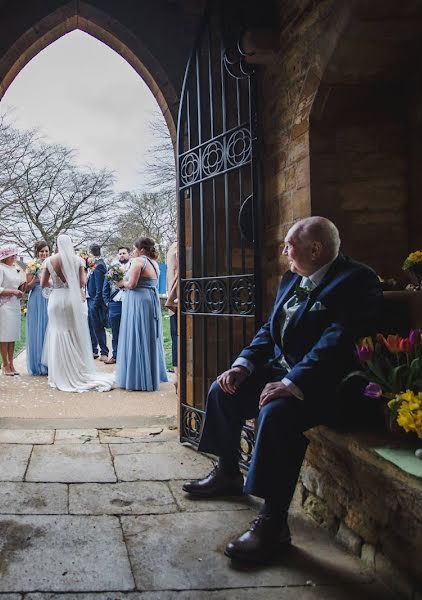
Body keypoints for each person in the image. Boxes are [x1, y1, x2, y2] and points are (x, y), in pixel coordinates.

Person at [182, 216, 383, 565]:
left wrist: (293, 383)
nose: (284, 251)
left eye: (290, 245)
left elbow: (338, 341)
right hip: (283, 370)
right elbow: (269, 330)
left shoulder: (357, 281)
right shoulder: (294, 277)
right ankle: (228, 471)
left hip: (327, 383)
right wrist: (243, 365)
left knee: (276, 413)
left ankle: (274, 524)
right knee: (222, 390)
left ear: (316, 249)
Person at [40, 234, 113, 393]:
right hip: (72, 299)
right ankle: (76, 370)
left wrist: (55, 283)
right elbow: (81, 282)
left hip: (56, 299)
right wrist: (70, 282)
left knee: (57, 332)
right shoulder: (78, 260)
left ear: (58, 245)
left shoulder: (49, 261)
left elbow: (43, 283)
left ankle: (59, 374)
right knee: (73, 332)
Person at [113, 237, 169, 391]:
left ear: (142, 249)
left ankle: (138, 378)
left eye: (134, 248)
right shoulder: (155, 263)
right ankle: (149, 375)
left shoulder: (139, 261)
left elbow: (131, 284)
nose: (133, 251)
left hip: (138, 301)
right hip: (150, 299)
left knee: (137, 334)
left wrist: (120, 283)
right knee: (148, 336)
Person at [0, 245, 25, 376]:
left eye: (15, 255)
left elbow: (22, 284)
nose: (15, 257)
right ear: (5, 257)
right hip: (3, 305)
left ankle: (12, 363)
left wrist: (23, 279)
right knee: (5, 335)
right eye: (12, 255)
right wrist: (13, 291)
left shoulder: (16, 268)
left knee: (13, 335)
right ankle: (5, 364)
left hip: (14, 303)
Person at [25, 240, 51, 376]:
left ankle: (50, 363)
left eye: (46, 251)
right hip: (36, 298)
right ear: (37, 252)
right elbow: (26, 288)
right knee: (37, 329)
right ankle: (37, 364)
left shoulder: (53, 263)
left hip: (50, 298)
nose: (44, 253)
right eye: (41, 251)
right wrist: (34, 280)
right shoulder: (31, 266)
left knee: (49, 328)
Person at [102, 246, 131, 365]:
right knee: (115, 331)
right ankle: (115, 355)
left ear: (129, 254)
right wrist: (107, 301)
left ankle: (128, 356)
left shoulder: (133, 266)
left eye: (124, 253)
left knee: (129, 329)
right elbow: (106, 285)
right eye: (119, 254)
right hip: (114, 302)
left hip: (129, 301)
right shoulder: (112, 268)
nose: (121, 255)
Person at [86, 244, 109, 360]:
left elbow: (100, 288)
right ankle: (94, 350)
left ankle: (104, 352)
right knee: (92, 326)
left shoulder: (99, 266)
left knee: (98, 326)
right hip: (89, 299)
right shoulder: (94, 265)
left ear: (91, 253)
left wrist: (95, 304)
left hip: (95, 300)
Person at [164, 241, 179, 371]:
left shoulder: (173, 247)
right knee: (177, 336)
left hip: (175, 297)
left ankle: (177, 372)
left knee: (176, 336)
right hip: (178, 297)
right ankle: (177, 372)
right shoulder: (177, 247)